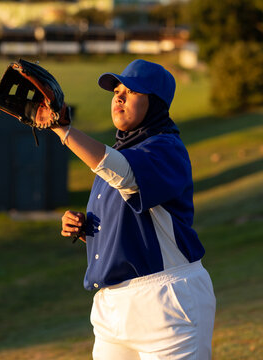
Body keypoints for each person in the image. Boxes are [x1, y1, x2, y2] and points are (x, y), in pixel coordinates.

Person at [52, 59, 216, 359]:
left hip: (167, 301)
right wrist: (83, 228)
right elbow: (130, 232)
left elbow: (124, 174)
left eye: (132, 91)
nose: (119, 96)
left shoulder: (166, 149)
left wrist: (64, 130)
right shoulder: (120, 156)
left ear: (155, 104)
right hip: (112, 306)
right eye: (116, 89)